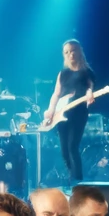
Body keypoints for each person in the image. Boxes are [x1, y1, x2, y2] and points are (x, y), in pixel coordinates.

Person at [43, 39, 94, 182]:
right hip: (62, 114)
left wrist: (89, 94)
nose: (70, 54)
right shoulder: (63, 73)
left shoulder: (86, 72)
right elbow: (56, 94)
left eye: (72, 51)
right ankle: (72, 177)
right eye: (66, 52)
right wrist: (51, 109)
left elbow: (90, 87)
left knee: (73, 147)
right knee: (64, 151)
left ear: (79, 52)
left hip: (78, 114)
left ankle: (78, 181)